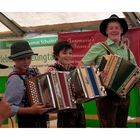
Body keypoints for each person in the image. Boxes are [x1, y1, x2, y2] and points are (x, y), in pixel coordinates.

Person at [78, 14, 140, 128]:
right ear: (106, 31)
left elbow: (135, 72)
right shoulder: (99, 47)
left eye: (117, 27)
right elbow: (80, 66)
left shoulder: (127, 51)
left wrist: (137, 80)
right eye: (111, 28)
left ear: (121, 30)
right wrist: (96, 75)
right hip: (105, 95)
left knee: (122, 127)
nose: (114, 30)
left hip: (124, 96)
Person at [4, 40, 50, 128]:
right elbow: (8, 108)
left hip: (41, 119)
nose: (26, 61)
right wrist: (31, 110)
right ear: (14, 59)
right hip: (27, 122)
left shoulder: (33, 72)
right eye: (21, 58)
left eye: (29, 58)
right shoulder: (15, 79)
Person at [45, 40, 86, 128]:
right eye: (64, 53)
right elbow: (51, 93)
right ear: (56, 55)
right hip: (64, 113)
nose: (68, 56)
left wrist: (83, 96)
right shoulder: (52, 70)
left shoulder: (74, 69)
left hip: (79, 110)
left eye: (70, 53)